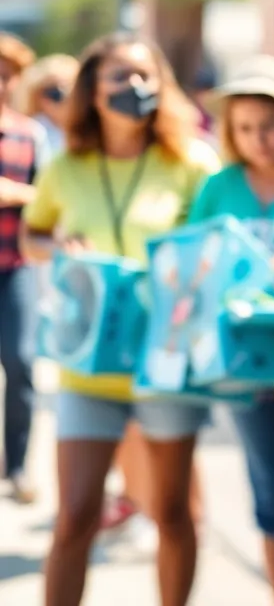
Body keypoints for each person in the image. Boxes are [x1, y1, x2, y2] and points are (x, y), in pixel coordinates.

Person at [22, 33, 220, 606]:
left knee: (174, 513)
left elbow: (218, 249)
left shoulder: (192, 162)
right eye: (119, 77)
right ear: (92, 91)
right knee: (76, 516)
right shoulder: (67, 166)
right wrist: (57, 244)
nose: (134, 89)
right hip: (90, 365)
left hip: (166, 363)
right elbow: (35, 233)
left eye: (145, 76)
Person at [186, 55, 274, 606]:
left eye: (269, 125)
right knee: (273, 497)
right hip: (246, 364)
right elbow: (192, 267)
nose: (259, 139)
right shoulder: (219, 187)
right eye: (244, 129)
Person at [0, 33, 48, 505]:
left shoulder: (29, 135)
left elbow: (49, 201)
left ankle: (15, 464)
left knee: (21, 361)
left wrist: (17, 195)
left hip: (14, 269)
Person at [16, 52, 78, 157]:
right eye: (46, 92)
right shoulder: (30, 131)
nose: (50, 99)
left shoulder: (89, 130)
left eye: (57, 92)